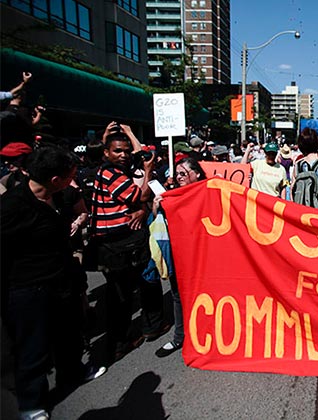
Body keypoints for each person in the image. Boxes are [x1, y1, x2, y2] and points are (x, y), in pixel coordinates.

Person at [1, 145, 106, 420]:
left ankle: (72, 373)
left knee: (69, 334)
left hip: (63, 281)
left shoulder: (61, 196)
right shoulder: (12, 205)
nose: (74, 179)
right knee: (32, 348)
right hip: (28, 288)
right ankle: (32, 403)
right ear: (54, 179)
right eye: (70, 175)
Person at [92, 122, 167, 362]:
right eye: (117, 151)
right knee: (123, 296)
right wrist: (146, 174)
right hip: (118, 245)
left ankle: (150, 326)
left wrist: (141, 211)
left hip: (126, 242)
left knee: (142, 284)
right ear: (106, 153)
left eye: (126, 151)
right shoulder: (110, 173)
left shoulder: (120, 170)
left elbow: (143, 154)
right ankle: (121, 342)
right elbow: (141, 195)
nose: (124, 155)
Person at [152, 157, 207, 358]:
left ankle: (207, 336)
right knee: (177, 294)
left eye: (184, 173)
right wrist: (156, 207)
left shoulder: (207, 192)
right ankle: (179, 337)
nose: (179, 177)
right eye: (177, 174)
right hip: (178, 254)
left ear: (197, 174)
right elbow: (160, 224)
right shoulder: (169, 196)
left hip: (202, 253)